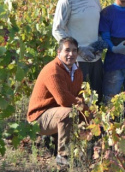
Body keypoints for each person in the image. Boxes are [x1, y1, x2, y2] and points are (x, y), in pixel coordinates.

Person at [27, 37, 86, 166]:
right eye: (67, 50)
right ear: (59, 52)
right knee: (69, 113)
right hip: (39, 117)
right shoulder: (53, 70)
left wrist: (87, 113)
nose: (71, 54)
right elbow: (63, 100)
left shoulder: (77, 71)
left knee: (79, 114)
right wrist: (84, 108)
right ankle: (62, 156)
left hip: (55, 112)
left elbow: (79, 95)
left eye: (74, 50)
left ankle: (68, 146)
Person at [52, 0, 103, 103]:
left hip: (96, 59)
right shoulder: (67, 1)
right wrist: (78, 50)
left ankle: (96, 125)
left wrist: (99, 44)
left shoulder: (95, 0)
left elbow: (98, 27)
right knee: (79, 100)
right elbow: (57, 29)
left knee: (97, 99)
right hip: (77, 61)